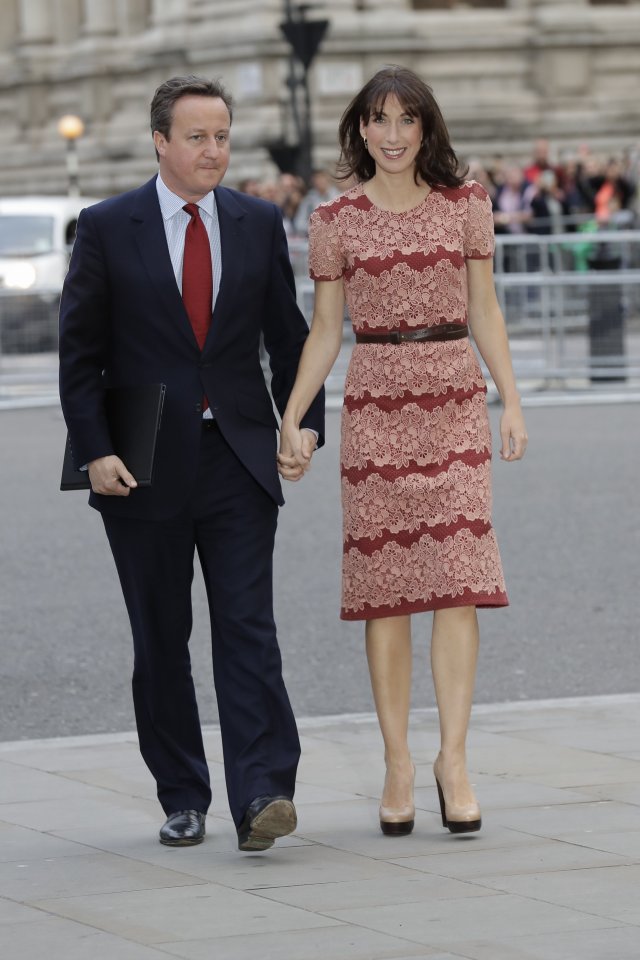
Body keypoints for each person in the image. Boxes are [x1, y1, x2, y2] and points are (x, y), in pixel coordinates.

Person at [59, 75, 324, 852]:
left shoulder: (255, 221)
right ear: (161, 142)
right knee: (160, 637)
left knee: (248, 628)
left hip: (238, 457)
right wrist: (96, 449)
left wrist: (302, 423)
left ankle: (263, 792)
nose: (215, 151)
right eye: (198, 137)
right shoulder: (108, 226)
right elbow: (80, 356)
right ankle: (182, 793)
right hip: (139, 464)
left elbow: (289, 335)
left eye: (223, 136)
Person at [277, 66, 527, 838]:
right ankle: (396, 763)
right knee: (386, 592)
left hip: (453, 400)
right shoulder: (335, 217)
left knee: (458, 580)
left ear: (426, 129)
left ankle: (454, 760)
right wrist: (292, 416)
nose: (390, 134)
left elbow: (484, 307)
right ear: (359, 128)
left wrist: (510, 399)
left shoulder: (467, 205)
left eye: (405, 120)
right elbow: (325, 329)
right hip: (378, 402)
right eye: (377, 119)